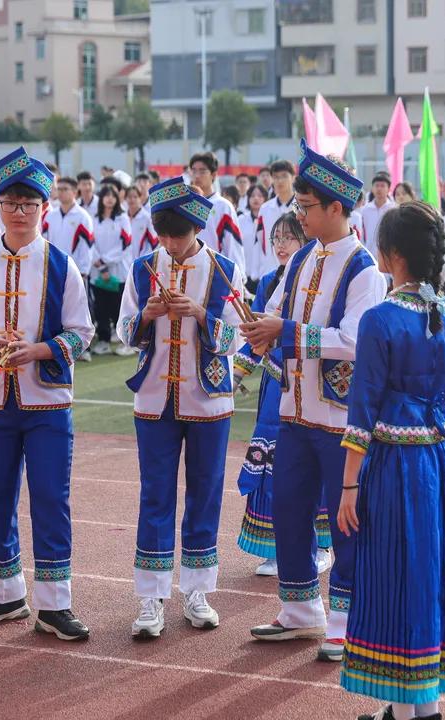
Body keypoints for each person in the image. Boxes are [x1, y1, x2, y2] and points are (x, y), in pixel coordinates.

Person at [242, 140, 387, 662]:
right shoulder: (303, 257)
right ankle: (301, 609)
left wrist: (283, 332)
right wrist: (258, 331)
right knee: (289, 508)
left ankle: (347, 621)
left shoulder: (364, 269)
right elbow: (275, 311)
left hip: (340, 420)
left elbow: (354, 341)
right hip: (294, 411)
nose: (298, 215)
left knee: (346, 521)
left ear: (335, 207)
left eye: (305, 207)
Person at [0, 146, 93, 640]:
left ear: (44, 208)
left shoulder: (62, 265)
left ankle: (55, 604)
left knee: (51, 499)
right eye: (10, 203)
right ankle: (4, 593)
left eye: (29, 204)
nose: (19, 212)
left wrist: (40, 351)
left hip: (47, 403)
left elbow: (82, 331)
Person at [336, 200, 445, 720]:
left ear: (391, 255)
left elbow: (362, 411)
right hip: (437, 461)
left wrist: (348, 487)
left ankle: (409, 712)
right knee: (426, 576)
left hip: (395, 464)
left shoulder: (381, 319)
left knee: (392, 576)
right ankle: (414, 707)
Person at [116, 178, 245, 638]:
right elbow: (123, 330)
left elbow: (236, 338)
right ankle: (151, 597)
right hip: (154, 397)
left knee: (205, 493)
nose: (171, 244)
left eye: (180, 234)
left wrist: (199, 314)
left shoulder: (225, 270)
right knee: (155, 493)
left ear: (198, 228)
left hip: (209, 400)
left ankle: (197, 590)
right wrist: (147, 316)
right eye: (164, 235)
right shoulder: (142, 268)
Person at [233, 213, 333, 577]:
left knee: (310, 460)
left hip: (311, 382)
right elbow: (256, 335)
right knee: (273, 461)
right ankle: (276, 548)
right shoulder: (269, 282)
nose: (280, 245)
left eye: (288, 237)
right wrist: (236, 373)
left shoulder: (324, 279)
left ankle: (319, 545)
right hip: (276, 385)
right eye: (276, 238)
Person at [43, 178, 95, 359]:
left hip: (77, 271)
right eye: (59, 189)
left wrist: (83, 270)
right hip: (53, 270)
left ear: (74, 192)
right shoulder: (50, 216)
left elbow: (87, 246)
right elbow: (45, 242)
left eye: (65, 189)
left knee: (80, 309)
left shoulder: (83, 216)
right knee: (56, 308)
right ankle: (59, 346)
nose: (61, 192)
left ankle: (84, 349)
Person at [91, 184, 134, 357]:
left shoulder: (122, 218)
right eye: (106, 195)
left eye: (113, 196)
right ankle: (104, 341)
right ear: (101, 198)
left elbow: (125, 244)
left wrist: (105, 261)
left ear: (117, 199)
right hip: (97, 272)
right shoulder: (94, 219)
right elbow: (90, 243)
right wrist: (100, 265)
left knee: (119, 308)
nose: (109, 199)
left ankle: (126, 342)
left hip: (118, 271)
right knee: (101, 308)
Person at [189, 152, 245, 273]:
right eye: (194, 171)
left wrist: (238, 275)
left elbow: (233, 246)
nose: (197, 176)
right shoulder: (185, 204)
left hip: (214, 273)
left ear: (213, 174)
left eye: (202, 171)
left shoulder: (223, 206)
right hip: (188, 271)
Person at [258, 161, 297, 271]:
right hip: (270, 269)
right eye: (276, 177)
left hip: (297, 269)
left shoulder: (302, 207)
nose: (280, 181)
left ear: (293, 178)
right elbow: (260, 241)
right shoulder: (265, 209)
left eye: (284, 176)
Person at [239, 185, 270, 291]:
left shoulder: (269, 219)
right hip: (245, 272)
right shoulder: (241, 219)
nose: (256, 198)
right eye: (252, 196)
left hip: (264, 272)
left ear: (265, 198)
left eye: (260, 196)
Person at [361, 172, 395, 263]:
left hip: (388, 256)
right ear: (372, 188)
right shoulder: (365, 210)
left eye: (382, 186)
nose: (379, 189)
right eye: (376, 185)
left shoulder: (393, 209)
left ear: (388, 189)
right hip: (369, 255)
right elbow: (362, 233)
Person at [127, 185, 157, 261]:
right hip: (124, 262)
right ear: (125, 198)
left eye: (135, 197)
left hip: (140, 261)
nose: (132, 200)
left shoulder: (147, 218)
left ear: (140, 198)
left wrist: (143, 259)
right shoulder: (122, 218)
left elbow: (154, 242)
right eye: (129, 197)